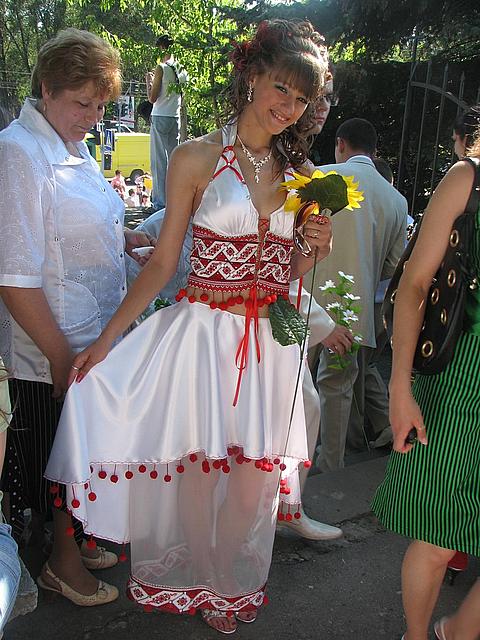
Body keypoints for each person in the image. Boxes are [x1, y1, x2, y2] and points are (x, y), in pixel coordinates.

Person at [46, 19, 332, 634]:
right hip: (203, 339)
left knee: (253, 480)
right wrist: (105, 343)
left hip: (267, 348)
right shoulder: (196, 157)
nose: (289, 107)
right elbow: (163, 262)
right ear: (252, 78)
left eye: (302, 98)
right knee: (200, 472)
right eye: (281, 88)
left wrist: (314, 246)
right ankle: (202, 580)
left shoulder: (303, 174)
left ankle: (229, 582)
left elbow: (291, 272)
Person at [0, 28, 154, 607]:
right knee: (60, 460)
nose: (92, 118)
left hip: (91, 336)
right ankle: (59, 565)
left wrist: (124, 239)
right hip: (50, 346)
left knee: (87, 452)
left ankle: (79, 543)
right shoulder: (19, 152)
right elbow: (14, 275)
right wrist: (61, 356)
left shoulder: (70, 145)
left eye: (101, 106)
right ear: (47, 88)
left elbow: (72, 229)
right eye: (82, 103)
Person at [372, 129, 480, 640]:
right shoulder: (467, 180)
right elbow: (415, 283)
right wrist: (399, 386)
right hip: (461, 380)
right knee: (439, 538)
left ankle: (454, 631)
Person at [311, 118, 407, 471]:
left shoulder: (321, 176)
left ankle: (285, 460)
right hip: (354, 306)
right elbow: (394, 266)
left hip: (307, 299)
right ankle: (331, 466)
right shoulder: (396, 200)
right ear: (374, 150)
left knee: (291, 382)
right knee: (337, 388)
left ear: (340, 144)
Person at [146, 35, 187, 211]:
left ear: (161, 48)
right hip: (174, 117)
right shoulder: (182, 69)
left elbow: (152, 98)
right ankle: (174, 200)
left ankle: (160, 203)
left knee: (159, 162)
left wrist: (148, 81)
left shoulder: (161, 68)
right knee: (173, 161)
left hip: (160, 115)